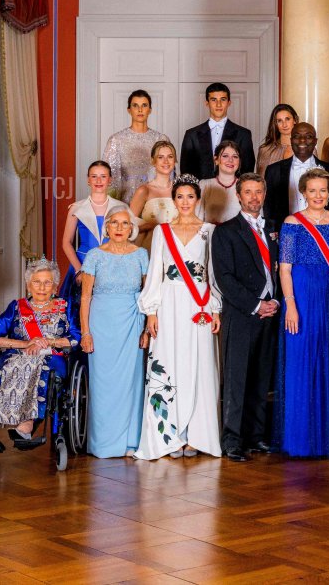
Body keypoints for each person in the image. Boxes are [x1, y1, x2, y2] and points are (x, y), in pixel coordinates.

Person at [135, 176, 222, 460]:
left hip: (198, 306)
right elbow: (156, 273)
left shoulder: (210, 231)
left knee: (199, 364)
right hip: (169, 304)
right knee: (170, 363)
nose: (185, 202)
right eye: (180, 197)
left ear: (198, 200)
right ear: (174, 200)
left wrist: (215, 307)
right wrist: (151, 312)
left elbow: (212, 273)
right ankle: (170, 436)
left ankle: (196, 435)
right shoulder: (162, 232)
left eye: (190, 197)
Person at [276, 168, 329, 458]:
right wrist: (291, 304)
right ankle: (299, 440)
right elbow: (285, 268)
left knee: (325, 362)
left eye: (323, 190)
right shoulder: (292, 223)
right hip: (300, 299)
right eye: (313, 191)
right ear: (303, 192)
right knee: (300, 363)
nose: (318, 196)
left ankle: (322, 439)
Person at [0, 259, 81, 453]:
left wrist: (49, 341)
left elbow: (75, 338)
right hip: (15, 357)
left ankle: (26, 425)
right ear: (28, 285)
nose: (41, 287)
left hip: (51, 357)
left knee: (37, 366)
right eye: (36, 282)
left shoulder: (64, 308)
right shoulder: (16, 307)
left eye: (47, 282)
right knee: (6, 367)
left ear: (55, 285)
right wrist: (25, 344)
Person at [210, 173, 281, 462]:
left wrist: (274, 301)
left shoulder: (274, 227)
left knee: (261, 378)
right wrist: (256, 304)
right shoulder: (226, 231)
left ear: (264, 194)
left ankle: (255, 436)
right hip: (242, 314)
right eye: (248, 192)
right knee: (237, 378)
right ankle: (232, 440)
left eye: (259, 192)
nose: (254, 197)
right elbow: (224, 278)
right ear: (238, 196)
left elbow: (280, 270)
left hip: (271, 311)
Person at [79, 208, 147, 458]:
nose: (119, 228)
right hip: (101, 323)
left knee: (131, 380)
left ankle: (131, 441)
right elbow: (85, 297)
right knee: (103, 383)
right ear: (107, 227)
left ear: (132, 228)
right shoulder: (94, 256)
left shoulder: (141, 254)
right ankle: (104, 443)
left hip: (132, 320)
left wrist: (147, 327)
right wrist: (85, 332)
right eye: (114, 223)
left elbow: (147, 293)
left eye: (125, 223)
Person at [59, 161, 136, 309]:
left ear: (110, 180)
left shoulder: (121, 207)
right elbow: (66, 242)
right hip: (83, 263)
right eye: (94, 176)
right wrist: (78, 270)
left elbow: (128, 240)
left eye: (103, 176)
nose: (98, 181)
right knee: (79, 311)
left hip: (113, 264)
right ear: (88, 180)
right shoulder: (77, 208)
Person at [264, 122, 329, 229]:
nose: (302, 140)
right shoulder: (273, 171)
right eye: (297, 136)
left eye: (308, 136)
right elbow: (268, 209)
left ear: (315, 141)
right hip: (286, 235)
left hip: (323, 235)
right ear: (291, 140)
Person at [102, 89, 170, 202]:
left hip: (154, 200)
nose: (140, 110)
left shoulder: (161, 139)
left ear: (150, 110)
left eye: (144, 105)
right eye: (135, 105)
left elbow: (169, 174)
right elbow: (110, 177)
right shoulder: (116, 140)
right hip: (124, 201)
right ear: (129, 110)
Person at [179, 82, 256, 179]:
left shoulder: (244, 134)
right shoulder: (191, 135)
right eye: (213, 100)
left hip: (232, 192)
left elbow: (247, 171)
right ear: (207, 103)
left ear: (229, 102)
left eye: (223, 99)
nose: (218, 104)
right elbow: (186, 172)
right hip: (200, 192)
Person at [129, 141, 178, 250]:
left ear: (175, 160)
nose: (166, 161)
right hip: (151, 246)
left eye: (170, 157)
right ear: (153, 161)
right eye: (160, 157)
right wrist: (151, 226)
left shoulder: (180, 190)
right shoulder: (144, 190)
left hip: (176, 248)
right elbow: (128, 227)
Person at [199, 140, 243, 225]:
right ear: (216, 160)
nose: (230, 160)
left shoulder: (245, 186)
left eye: (235, 156)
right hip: (210, 235)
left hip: (236, 237)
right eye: (225, 156)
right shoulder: (204, 185)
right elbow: (197, 219)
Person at [256, 103, 299, 176]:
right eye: (279, 121)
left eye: (287, 119)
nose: (284, 125)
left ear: (295, 120)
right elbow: (260, 180)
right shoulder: (265, 150)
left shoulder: (309, 149)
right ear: (275, 124)